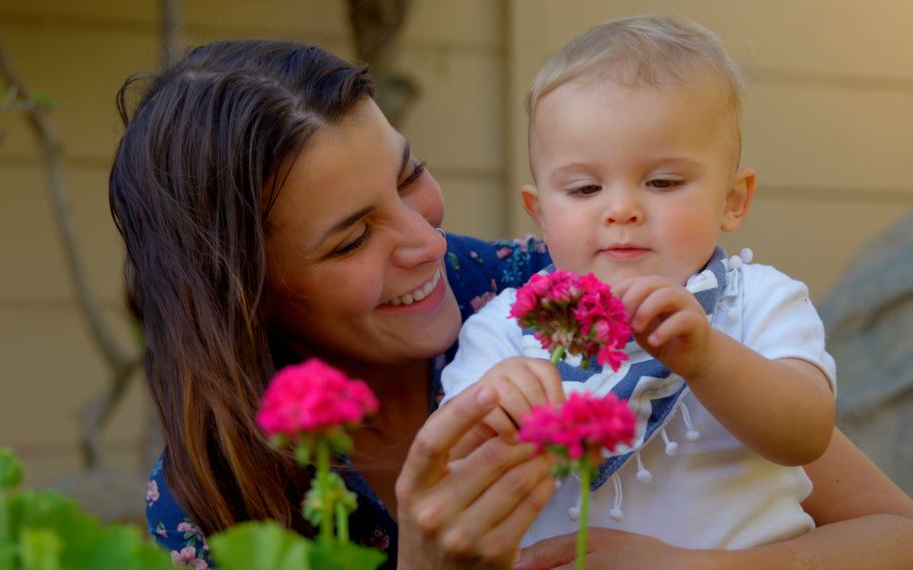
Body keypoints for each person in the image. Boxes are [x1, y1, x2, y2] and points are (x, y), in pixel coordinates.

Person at [109, 38, 913, 569]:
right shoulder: (212, 499)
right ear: (251, 295)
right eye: (352, 239)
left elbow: (892, 530)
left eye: (407, 176)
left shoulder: (560, 294)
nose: (425, 242)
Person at [441, 15, 838, 550]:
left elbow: (806, 433)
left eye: (663, 182)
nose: (622, 209)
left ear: (732, 199)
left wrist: (709, 359)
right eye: (584, 189)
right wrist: (497, 407)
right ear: (539, 213)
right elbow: (450, 468)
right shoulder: (512, 328)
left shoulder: (760, 299)